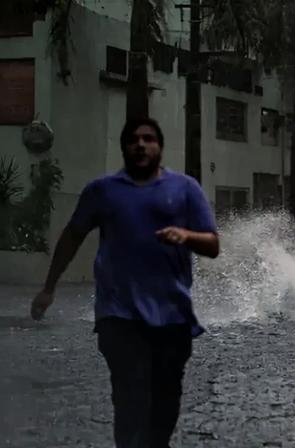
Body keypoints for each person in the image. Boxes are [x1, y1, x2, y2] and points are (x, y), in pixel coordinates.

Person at [30, 118, 220, 448]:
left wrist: (186, 235)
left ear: (160, 147)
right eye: (134, 140)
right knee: (130, 400)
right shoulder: (101, 191)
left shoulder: (185, 188)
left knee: (165, 403)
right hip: (118, 316)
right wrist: (49, 287)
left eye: (149, 139)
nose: (141, 145)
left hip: (172, 317)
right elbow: (72, 237)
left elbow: (213, 245)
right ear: (124, 148)